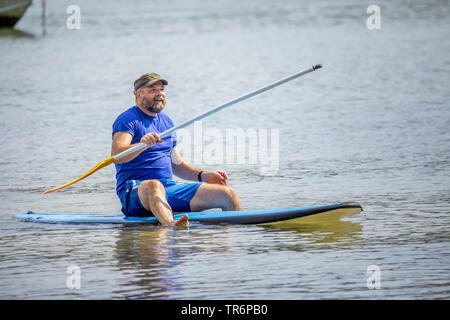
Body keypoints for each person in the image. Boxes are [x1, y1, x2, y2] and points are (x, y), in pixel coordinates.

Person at [111, 73, 242, 226]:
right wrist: (142, 144)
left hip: (168, 189)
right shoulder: (128, 119)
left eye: (161, 89)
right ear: (139, 95)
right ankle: (170, 225)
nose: (159, 93)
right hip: (135, 192)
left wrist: (202, 175)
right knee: (154, 185)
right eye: (153, 90)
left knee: (227, 193)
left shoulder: (166, 122)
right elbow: (117, 154)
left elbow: (177, 164)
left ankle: (241, 232)